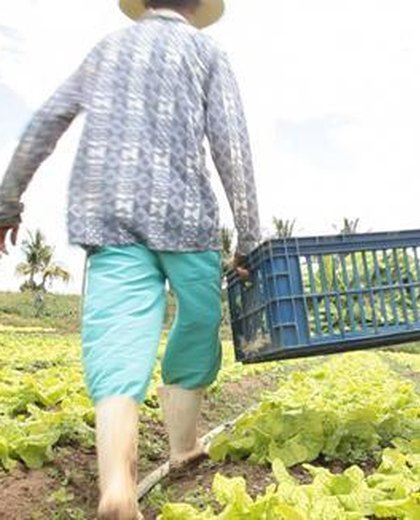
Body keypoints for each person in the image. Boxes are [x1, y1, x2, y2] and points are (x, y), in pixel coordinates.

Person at [0, 0, 260, 517]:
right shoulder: (206, 52)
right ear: (196, 7)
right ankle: (183, 447)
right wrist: (249, 236)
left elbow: (47, 120)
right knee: (199, 321)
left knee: (120, 341)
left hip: (109, 217)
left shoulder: (108, 48)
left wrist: (8, 201)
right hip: (186, 220)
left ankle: (117, 486)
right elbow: (232, 146)